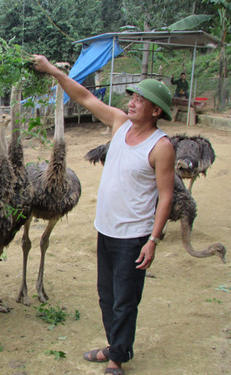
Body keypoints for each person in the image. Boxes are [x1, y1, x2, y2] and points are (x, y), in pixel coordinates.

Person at [33, 55, 175, 375]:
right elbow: (83, 96)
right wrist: (53, 70)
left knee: (125, 300)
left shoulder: (160, 145)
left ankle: (116, 360)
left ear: (156, 111)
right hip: (106, 229)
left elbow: (166, 196)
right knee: (107, 296)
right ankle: (115, 346)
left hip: (134, 236)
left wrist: (152, 240)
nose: (134, 102)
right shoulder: (119, 122)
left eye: (142, 100)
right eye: (134, 97)